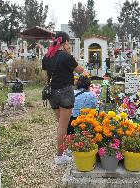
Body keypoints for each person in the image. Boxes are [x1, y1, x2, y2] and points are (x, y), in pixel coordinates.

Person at [42, 31, 87, 165]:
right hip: (65, 93)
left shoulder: (47, 56)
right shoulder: (66, 57)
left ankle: (64, 149)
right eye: (69, 43)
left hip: (52, 94)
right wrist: (70, 54)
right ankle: (60, 156)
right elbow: (80, 70)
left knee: (61, 124)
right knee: (63, 125)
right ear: (66, 42)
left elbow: (46, 77)